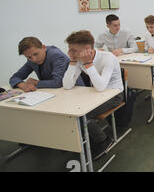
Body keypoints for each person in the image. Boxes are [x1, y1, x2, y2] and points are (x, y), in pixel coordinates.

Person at [62, 30, 123, 160]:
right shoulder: (78, 59)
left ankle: (104, 140)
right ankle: (83, 139)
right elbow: (67, 85)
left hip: (114, 95)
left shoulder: (108, 58)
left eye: (73, 50)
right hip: (95, 95)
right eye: (70, 50)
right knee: (70, 112)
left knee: (83, 116)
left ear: (87, 49)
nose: (70, 53)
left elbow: (101, 87)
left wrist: (88, 64)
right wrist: (72, 62)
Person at [9, 37, 84, 91]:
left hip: (75, 92)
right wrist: (22, 85)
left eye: (36, 54)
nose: (33, 59)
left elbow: (57, 83)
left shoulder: (57, 56)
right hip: (53, 93)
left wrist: (36, 82)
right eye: (29, 57)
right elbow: (15, 77)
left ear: (43, 47)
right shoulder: (31, 60)